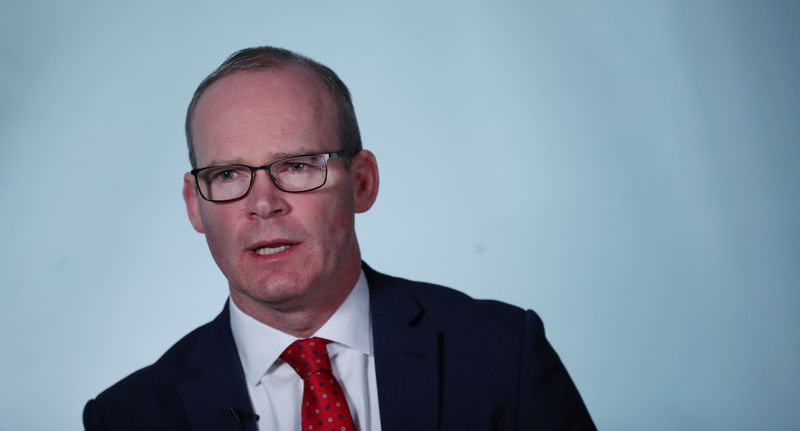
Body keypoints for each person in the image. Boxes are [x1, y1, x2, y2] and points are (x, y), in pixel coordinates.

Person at [83, 46, 596, 431]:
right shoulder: (128, 418)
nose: (263, 204)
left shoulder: (503, 355)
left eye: (299, 166)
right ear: (196, 205)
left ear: (363, 181)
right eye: (228, 175)